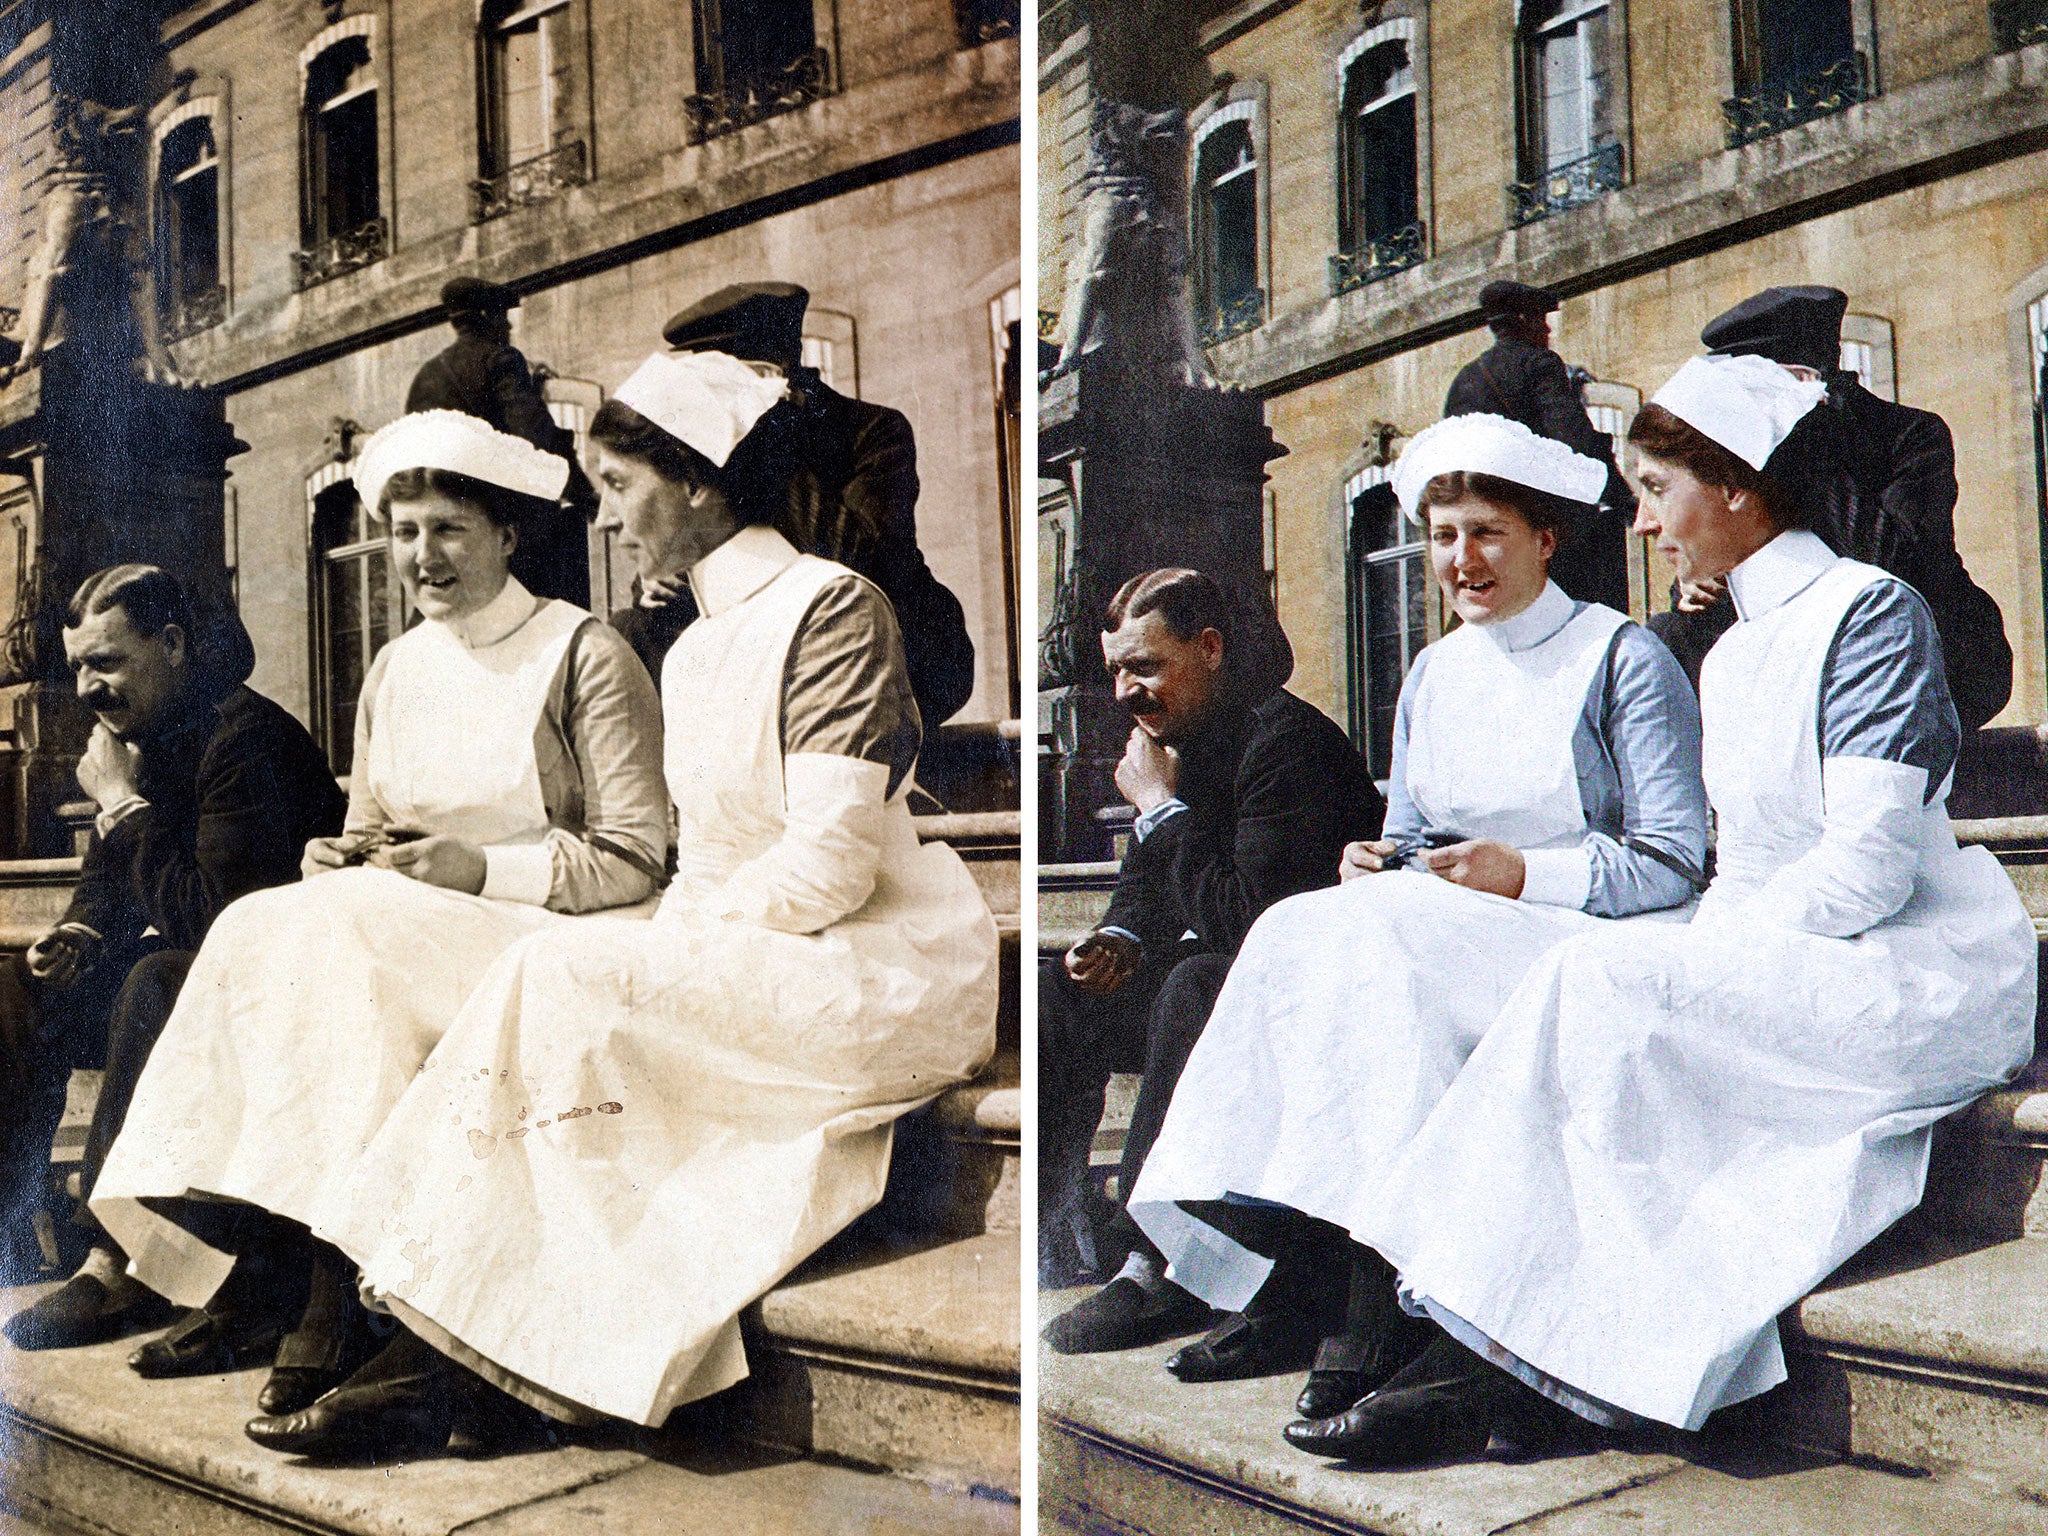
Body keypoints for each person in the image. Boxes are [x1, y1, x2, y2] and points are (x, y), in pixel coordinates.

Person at [201, 348, 999, 1458]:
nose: (611, 518)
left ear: (703, 484)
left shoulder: (832, 610)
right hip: (757, 939)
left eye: (623, 487)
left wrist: (663, 949)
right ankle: (472, 1352)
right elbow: (710, 857)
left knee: (560, 973)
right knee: (547, 976)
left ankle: (454, 1361)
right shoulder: (694, 641)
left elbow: (830, 867)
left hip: (873, 960)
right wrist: (661, 940)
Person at [1295, 355, 2035, 1467]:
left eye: (1654, 489)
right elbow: (1736, 870)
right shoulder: (1731, 653)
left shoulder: (1868, 614)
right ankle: (1497, 1347)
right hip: (1795, 947)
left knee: (1602, 984)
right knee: (1590, 983)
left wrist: (1699, 958)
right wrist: (1691, 947)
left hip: (1907, 966)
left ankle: (1493, 1363)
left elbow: (1871, 868)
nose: (1641, 526)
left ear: (1733, 486)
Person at [1120, 413, 1707, 1428]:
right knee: (1301, 932)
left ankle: (1371, 1300)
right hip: (1456, 924)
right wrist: (1378, 858)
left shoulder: (1619, 658)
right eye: (1440, 538)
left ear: (1543, 541)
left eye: (1484, 533)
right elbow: (1412, 831)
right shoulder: (1436, 672)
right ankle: (1290, 1263)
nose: (1458, 561)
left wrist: (1520, 872)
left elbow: (1670, 858)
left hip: (1584, 929)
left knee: (1379, 954)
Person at [88, 411, 667, 1430]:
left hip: (551, 931)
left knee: (342, 945)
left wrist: (477, 868)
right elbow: (365, 830)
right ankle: (250, 1258)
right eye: (403, 533)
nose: (420, 557)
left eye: (447, 529)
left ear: (505, 536)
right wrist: (334, 856)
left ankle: (330, 1289)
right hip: (413, 922)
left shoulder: (582, 652)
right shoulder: (399, 666)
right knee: (265, 926)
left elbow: (632, 855)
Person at [1040, 568, 1383, 1350]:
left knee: (1195, 984)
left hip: (1309, 998)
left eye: (1146, 666)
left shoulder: (1286, 745)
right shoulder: (1174, 743)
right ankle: (1059, 1227)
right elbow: (1146, 890)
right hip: (1224, 988)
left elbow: (1250, 925)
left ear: (1211, 648)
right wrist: (1119, 942)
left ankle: (1155, 1263)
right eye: (1116, 670)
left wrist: (1159, 811)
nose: (1126, 690)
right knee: (1051, 996)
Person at [0, 566, 346, 1341]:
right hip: (196, 983)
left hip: (281, 993)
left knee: (155, 982)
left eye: (108, 662)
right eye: (79, 666)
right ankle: (12, 1231)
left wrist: (121, 806)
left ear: (174, 645)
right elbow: (109, 884)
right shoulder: (141, 739)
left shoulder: (246, 740)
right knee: (10, 989)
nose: (88, 686)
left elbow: (216, 924)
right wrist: (80, 937)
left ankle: (113, 1262)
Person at [612, 282, 977, 730]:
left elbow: (860, 564)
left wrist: (770, 435)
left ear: (771, 373)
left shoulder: (872, 430)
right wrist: (659, 579)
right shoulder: (713, 440)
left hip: (888, 642)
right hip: (770, 639)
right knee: (632, 629)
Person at [1648, 285, 2012, 732]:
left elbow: (1892, 564)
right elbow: (1703, 549)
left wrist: (1811, 438)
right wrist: (1693, 589)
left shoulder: (1907, 433)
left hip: (1930, 657)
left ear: (1800, 380)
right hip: (1798, 665)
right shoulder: (1747, 445)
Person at [1443, 280, 1634, 611]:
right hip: (1546, 532)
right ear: (1522, 321)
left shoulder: (1463, 381)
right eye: (1539, 318)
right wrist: (1623, 499)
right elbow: (1576, 444)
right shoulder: (1539, 364)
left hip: (1482, 534)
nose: (1547, 329)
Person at [406, 277, 596, 608]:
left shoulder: (425, 377)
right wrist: (583, 493)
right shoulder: (501, 360)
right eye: (501, 315)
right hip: (504, 528)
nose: (508, 325)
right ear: (486, 317)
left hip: (441, 527)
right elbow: (537, 439)